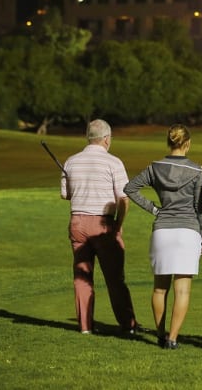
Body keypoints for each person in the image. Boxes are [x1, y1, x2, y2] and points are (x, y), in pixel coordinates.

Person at [124, 124, 202, 350]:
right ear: (187, 143)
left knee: (160, 289)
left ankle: (161, 336)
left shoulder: (155, 168)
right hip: (188, 232)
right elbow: (201, 207)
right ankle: (172, 338)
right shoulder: (197, 171)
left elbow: (130, 188)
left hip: (162, 231)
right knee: (182, 290)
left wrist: (154, 209)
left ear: (169, 142)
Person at [60, 119, 139, 334]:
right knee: (114, 278)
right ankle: (128, 325)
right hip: (103, 224)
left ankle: (85, 326)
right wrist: (119, 224)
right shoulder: (114, 162)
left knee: (82, 276)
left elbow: (66, 194)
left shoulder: (71, 161)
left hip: (78, 223)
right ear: (106, 139)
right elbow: (124, 199)